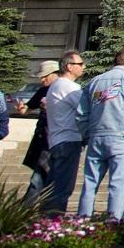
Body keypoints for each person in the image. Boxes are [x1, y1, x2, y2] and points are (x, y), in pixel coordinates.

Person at [76, 47, 124, 220]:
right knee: (118, 183)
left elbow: (81, 114)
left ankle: (82, 220)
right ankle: (114, 222)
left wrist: (87, 134)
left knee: (90, 183)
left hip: (96, 136)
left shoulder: (94, 81)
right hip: (121, 136)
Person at [43, 51, 87, 213]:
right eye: (80, 64)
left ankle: (46, 221)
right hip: (68, 141)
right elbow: (85, 108)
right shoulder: (68, 87)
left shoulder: (57, 85)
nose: (84, 67)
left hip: (58, 140)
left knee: (54, 185)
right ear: (69, 66)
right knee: (62, 187)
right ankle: (52, 223)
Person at [15, 59, 59, 205]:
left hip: (54, 139)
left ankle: (27, 206)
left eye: (45, 76)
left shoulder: (62, 89)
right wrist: (22, 109)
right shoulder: (42, 90)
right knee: (40, 173)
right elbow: (28, 108)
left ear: (55, 74)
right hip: (41, 137)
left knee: (39, 176)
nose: (42, 79)